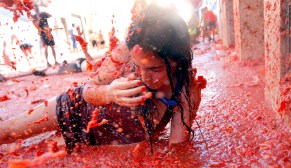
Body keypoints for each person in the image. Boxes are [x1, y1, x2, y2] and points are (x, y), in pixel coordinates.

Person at [0, 4, 204, 153]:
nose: (144, 77)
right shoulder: (126, 50)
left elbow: (177, 150)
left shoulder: (186, 90)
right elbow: (89, 88)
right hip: (74, 109)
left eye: (155, 69)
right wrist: (109, 92)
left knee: (23, 153)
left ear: (179, 60)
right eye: (137, 67)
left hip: (95, 141)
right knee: (7, 134)